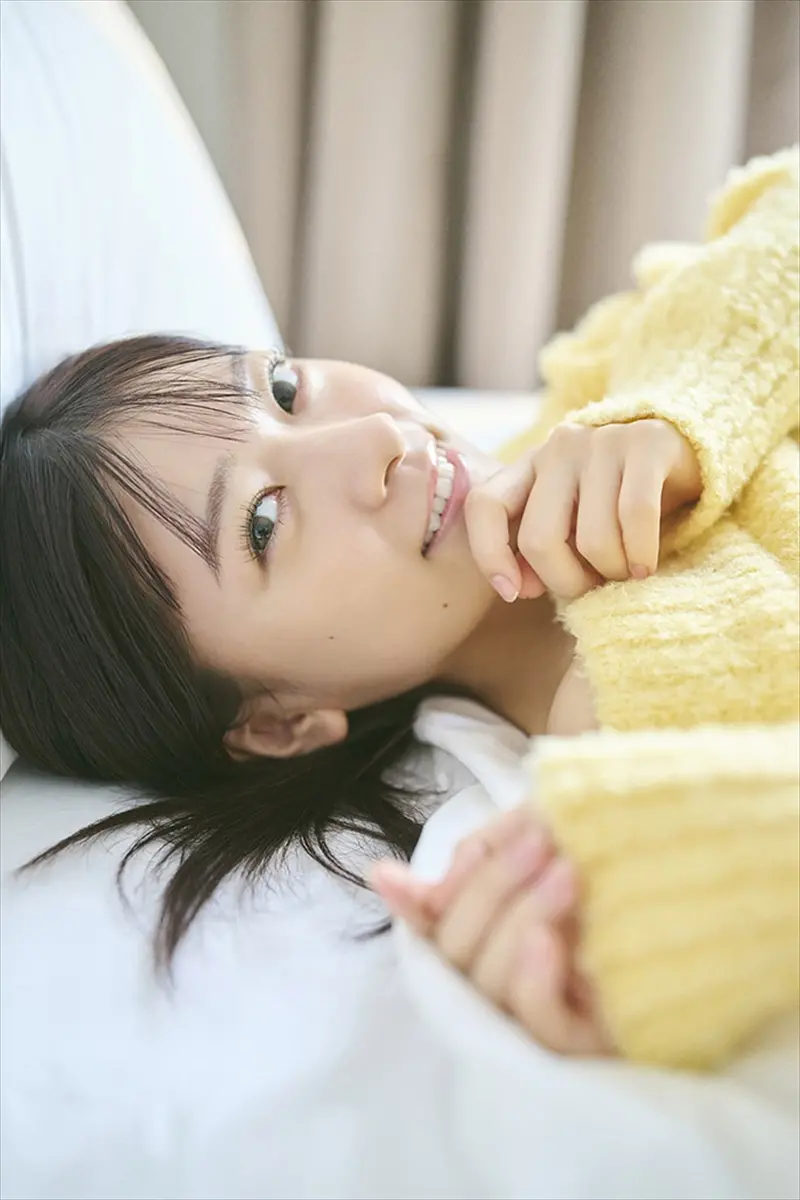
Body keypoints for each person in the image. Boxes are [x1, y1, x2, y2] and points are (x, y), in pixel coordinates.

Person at [1, 148, 797, 1071]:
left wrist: (683, 410)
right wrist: (663, 924)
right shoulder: (652, 716)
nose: (374, 436)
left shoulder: (592, 398)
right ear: (279, 723)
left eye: (284, 390)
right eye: (265, 523)